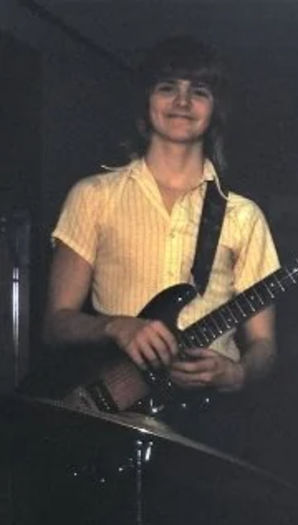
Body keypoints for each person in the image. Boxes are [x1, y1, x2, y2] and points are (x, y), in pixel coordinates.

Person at [42, 35, 279, 412]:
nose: (182, 102)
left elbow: (265, 345)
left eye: (198, 91)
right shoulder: (93, 196)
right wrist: (116, 326)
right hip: (113, 406)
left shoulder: (243, 215)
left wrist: (238, 373)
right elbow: (56, 324)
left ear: (215, 108)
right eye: (167, 87)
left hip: (208, 419)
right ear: (145, 100)